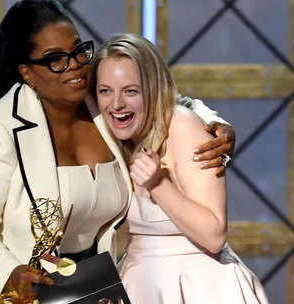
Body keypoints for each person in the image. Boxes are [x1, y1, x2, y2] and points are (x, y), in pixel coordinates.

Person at [0, 1, 235, 303]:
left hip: (79, 292)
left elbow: (159, 98)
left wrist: (215, 124)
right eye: (55, 59)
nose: (75, 66)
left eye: (78, 50)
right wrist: (9, 275)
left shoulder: (99, 97)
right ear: (27, 73)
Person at [91, 33, 269, 304]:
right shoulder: (105, 129)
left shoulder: (183, 127)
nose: (116, 104)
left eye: (131, 91)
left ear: (152, 89)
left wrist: (158, 185)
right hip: (138, 283)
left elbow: (214, 235)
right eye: (105, 91)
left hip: (201, 287)